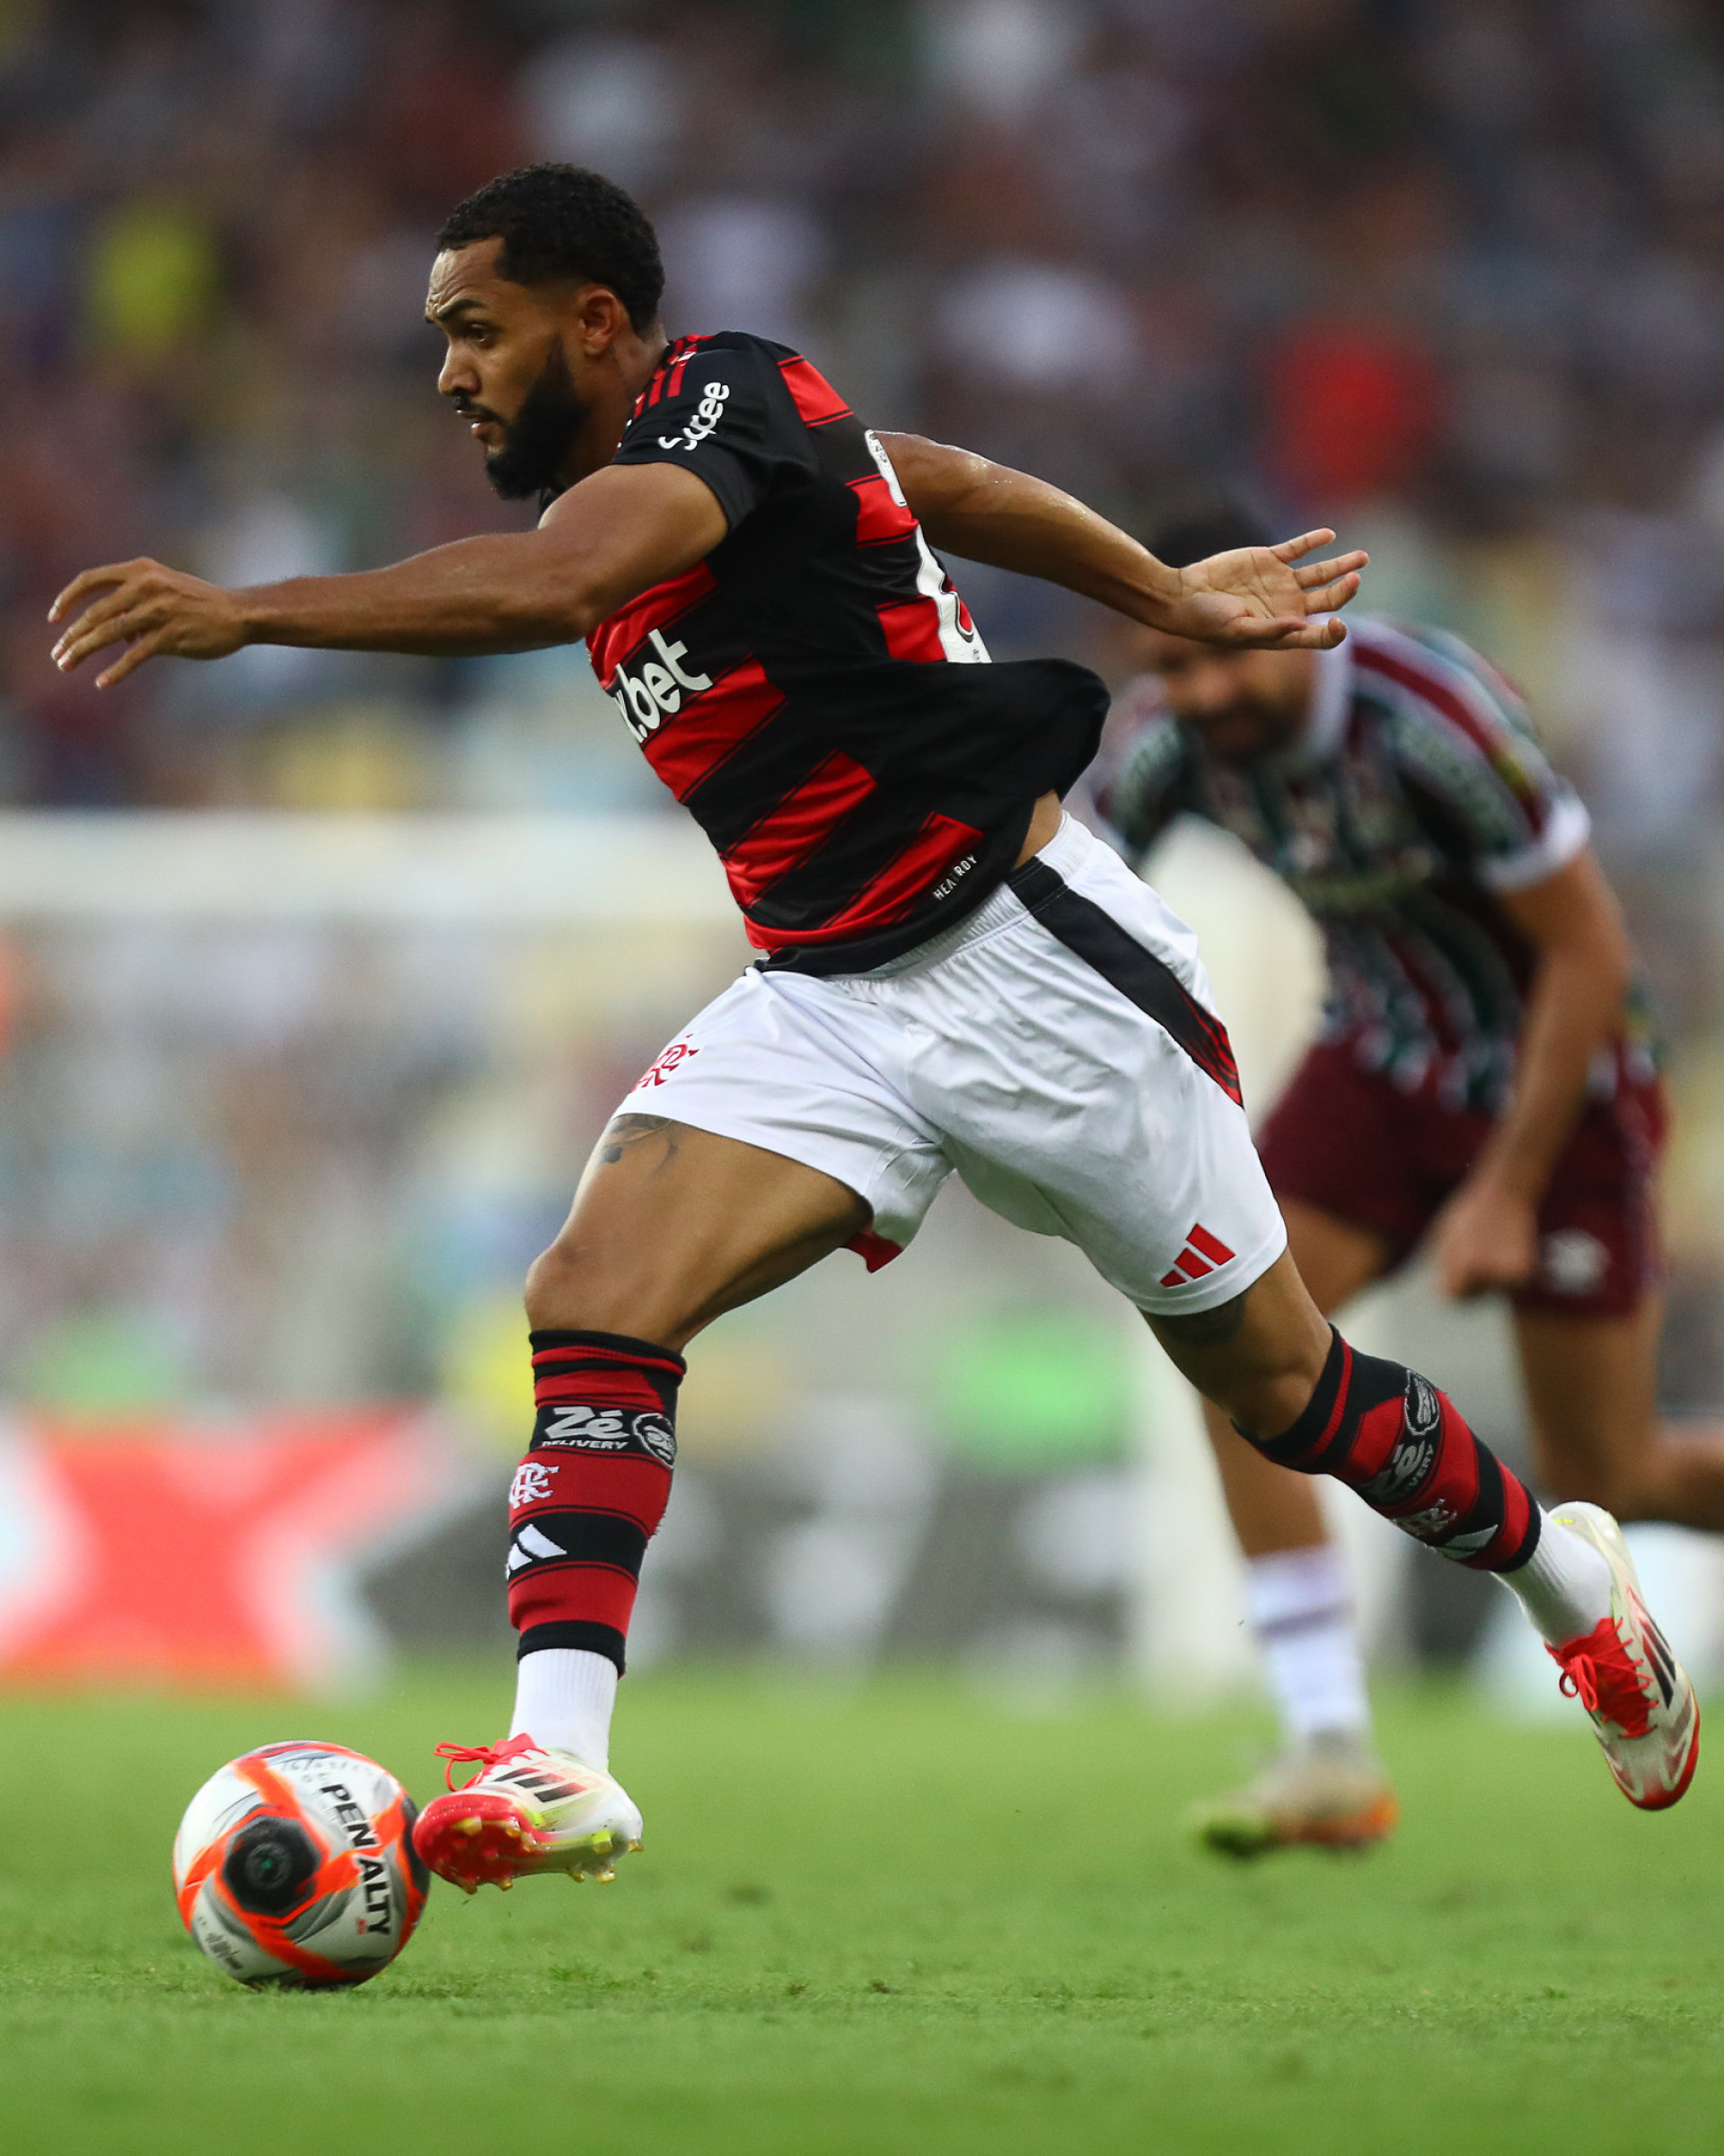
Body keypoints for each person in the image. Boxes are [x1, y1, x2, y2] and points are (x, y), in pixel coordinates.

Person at [49, 167, 1697, 1894]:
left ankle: (1569, 1584)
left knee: (1286, 1391)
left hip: (1033, 965)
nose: (450, 373)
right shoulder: (690, 471)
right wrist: (1164, 590)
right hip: (827, 993)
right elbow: (949, 483)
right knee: (593, 1291)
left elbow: (562, 587)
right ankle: (559, 1759)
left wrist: (254, 610)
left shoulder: (723, 401)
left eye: (477, 329)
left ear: (595, 324)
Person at [1099, 503, 1720, 1858]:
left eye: (1217, 658)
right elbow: (1074, 912)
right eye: (1170, 664)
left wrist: (1507, 1185)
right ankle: (1327, 1744)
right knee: (1232, 1345)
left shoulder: (1429, 717)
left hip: (1564, 1081)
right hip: (1378, 1065)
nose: (1197, 693)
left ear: (1289, 615)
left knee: (1609, 1469)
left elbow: (1589, 951)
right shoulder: (1165, 749)